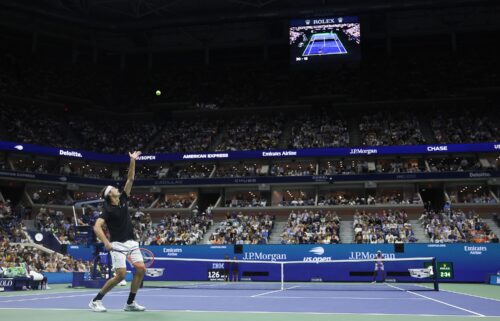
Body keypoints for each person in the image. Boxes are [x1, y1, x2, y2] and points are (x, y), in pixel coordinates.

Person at [89, 151, 146, 313]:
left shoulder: (123, 199)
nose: (117, 188)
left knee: (141, 270)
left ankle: (130, 303)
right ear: (109, 194)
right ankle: (95, 300)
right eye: (114, 188)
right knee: (121, 275)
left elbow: (130, 178)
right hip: (117, 244)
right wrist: (106, 243)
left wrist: (132, 160)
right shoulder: (107, 210)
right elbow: (97, 227)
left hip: (132, 242)